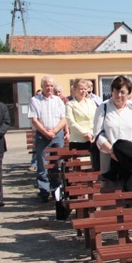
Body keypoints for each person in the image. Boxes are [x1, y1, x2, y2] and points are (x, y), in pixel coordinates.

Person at [92, 75, 132, 192]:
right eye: (115, 91)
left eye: (122, 92)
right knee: (110, 195)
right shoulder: (103, 108)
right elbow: (98, 133)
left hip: (130, 158)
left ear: (130, 93)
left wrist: (127, 151)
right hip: (109, 157)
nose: (118, 95)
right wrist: (113, 152)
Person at [28, 76, 67, 204]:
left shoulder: (58, 100)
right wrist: (45, 132)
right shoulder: (35, 100)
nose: (49, 88)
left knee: (57, 164)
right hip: (42, 135)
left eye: (51, 85)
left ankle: (56, 190)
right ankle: (44, 192)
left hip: (57, 134)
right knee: (42, 164)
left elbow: (63, 118)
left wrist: (55, 131)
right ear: (42, 86)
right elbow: (34, 119)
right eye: (47, 85)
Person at [65, 78, 97, 151]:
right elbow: (71, 123)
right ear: (75, 89)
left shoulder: (92, 103)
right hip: (77, 140)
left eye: (85, 89)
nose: (83, 91)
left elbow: (96, 119)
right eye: (81, 89)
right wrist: (85, 133)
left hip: (92, 139)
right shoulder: (70, 104)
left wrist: (91, 133)